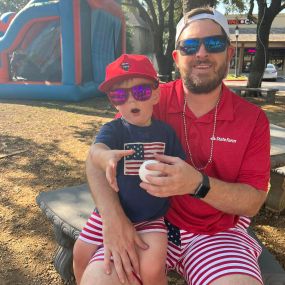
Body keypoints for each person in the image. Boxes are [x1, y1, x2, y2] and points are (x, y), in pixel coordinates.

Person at [81, 6, 270, 285]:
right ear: (177, 56)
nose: (202, 53)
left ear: (229, 53)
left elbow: (253, 202)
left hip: (216, 234)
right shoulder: (147, 99)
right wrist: (113, 218)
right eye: (190, 46)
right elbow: (96, 160)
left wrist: (197, 184)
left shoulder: (252, 120)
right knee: (99, 280)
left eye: (214, 43)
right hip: (143, 223)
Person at [73, 54, 185, 285]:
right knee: (80, 252)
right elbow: (96, 151)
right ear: (113, 102)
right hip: (111, 214)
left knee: (152, 267)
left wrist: (172, 178)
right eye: (120, 95)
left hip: (151, 216)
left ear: (155, 95)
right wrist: (105, 156)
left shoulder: (166, 133)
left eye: (141, 92)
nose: (131, 101)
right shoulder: (113, 130)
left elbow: (179, 168)